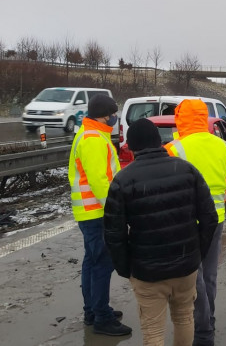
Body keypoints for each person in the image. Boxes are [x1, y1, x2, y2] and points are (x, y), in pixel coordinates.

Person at [104, 119, 218, 346]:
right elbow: (210, 218)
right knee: (185, 318)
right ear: (160, 142)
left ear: (133, 146)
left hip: (147, 270)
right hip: (185, 266)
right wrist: (196, 254)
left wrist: (127, 269)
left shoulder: (123, 179)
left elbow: (113, 233)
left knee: (153, 332)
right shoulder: (186, 170)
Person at [165, 99, 226, 346]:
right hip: (216, 219)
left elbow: (167, 191)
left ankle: (204, 329)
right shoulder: (223, 146)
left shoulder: (173, 149)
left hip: (186, 224)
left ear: (181, 117)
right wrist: (216, 203)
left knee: (192, 279)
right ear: (204, 117)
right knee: (209, 275)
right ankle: (210, 318)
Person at [67, 94, 132, 336]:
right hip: (97, 211)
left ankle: (93, 310)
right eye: (113, 114)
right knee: (102, 264)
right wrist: (115, 211)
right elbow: (99, 181)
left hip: (90, 211)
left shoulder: (91, 134)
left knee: (92, 262)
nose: (115, 118)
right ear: (105, 115)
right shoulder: (94, 139)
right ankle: (101, 317)